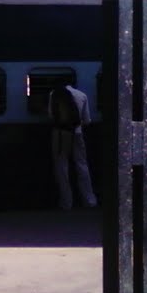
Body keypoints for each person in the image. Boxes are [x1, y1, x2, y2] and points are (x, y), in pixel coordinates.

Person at [48, 78, 97, 210]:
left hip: (61, 134)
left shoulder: (54, 93)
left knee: (62, 165)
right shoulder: (82, 95)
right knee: (82, 164)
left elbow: (51, 116)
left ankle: (67, 202)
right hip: (77, 132)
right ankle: (89, 200)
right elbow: (87, 121)